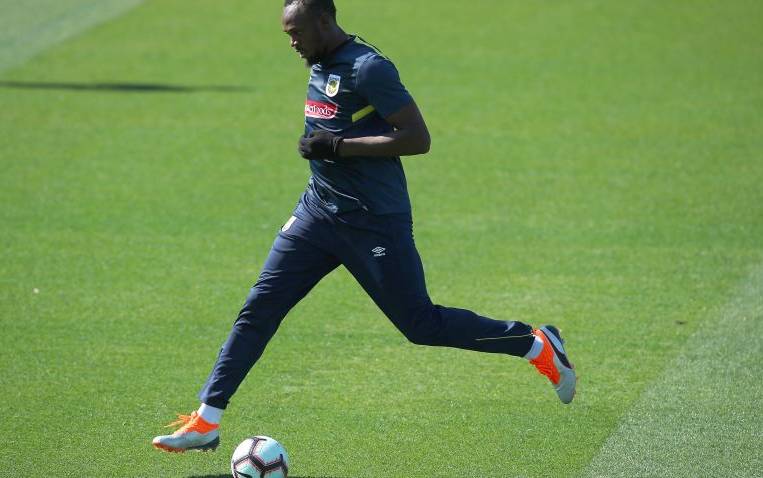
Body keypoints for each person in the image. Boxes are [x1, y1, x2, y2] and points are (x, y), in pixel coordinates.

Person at [152, 0, 576, 453]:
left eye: (296, 32)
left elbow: (417, 138)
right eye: (286, 34)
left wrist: (337, 146)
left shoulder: (369, 68)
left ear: (324, 21)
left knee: (421, 325)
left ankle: (534, 344)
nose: (292, 43)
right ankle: (207, 420)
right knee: (260, 307)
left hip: (375, 221)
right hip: (317, 213)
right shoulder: (320, 61)